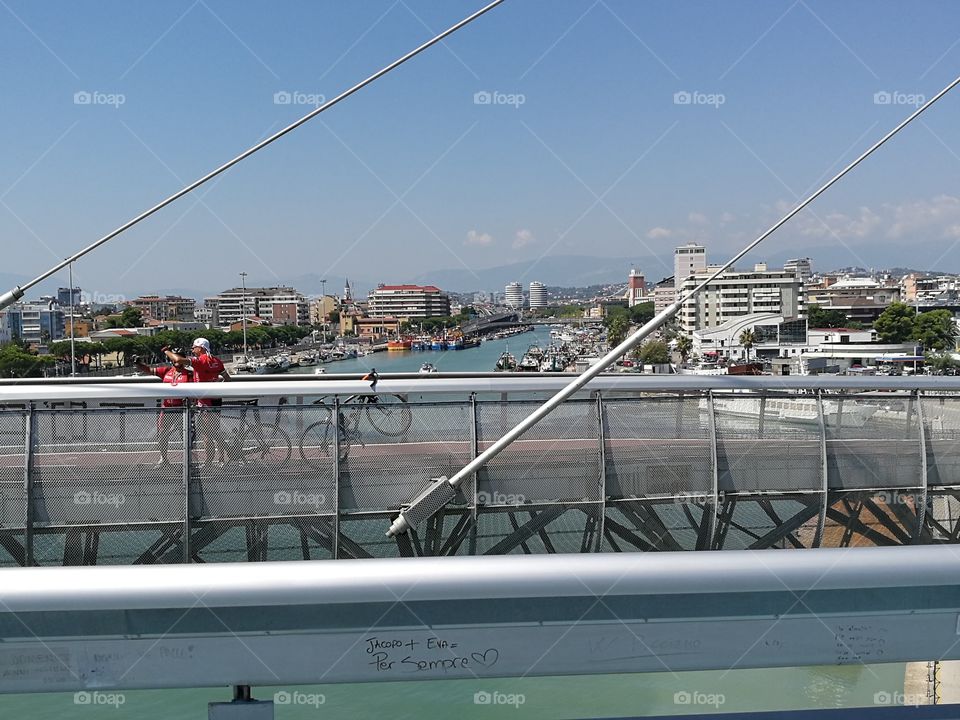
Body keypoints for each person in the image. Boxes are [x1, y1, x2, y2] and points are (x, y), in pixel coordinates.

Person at [134, 347, 193, 466]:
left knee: (185, 435)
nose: (176, 360)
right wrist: (138, 363)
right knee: (162, 434)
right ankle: (164, 459)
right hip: (167, 409)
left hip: (183, 409)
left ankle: (188, 460)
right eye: (175, 357)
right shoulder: (166, 371)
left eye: (179, 357)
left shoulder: (190, 374)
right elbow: (149, 370)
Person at [189, 338, 230, 465]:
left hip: (205, 401)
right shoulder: (216, 360)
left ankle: (208, 462)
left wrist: (169, 352)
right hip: (216, 399)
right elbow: (227, 378)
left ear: (200, 348)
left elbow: (180, 360)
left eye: (193, 347)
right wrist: (216, 384)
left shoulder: (200, 360)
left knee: (206, 434)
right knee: (215, 431)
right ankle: (222, 457)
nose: (192, 349)